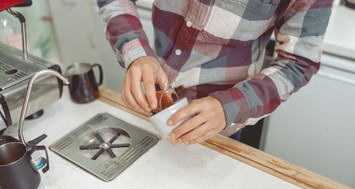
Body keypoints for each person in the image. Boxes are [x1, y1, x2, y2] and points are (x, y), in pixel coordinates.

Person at [97, 0, 333, 145]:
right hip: (151, 104)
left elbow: (299, 62)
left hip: (220, 128)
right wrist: (137, 54)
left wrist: (229, 107)